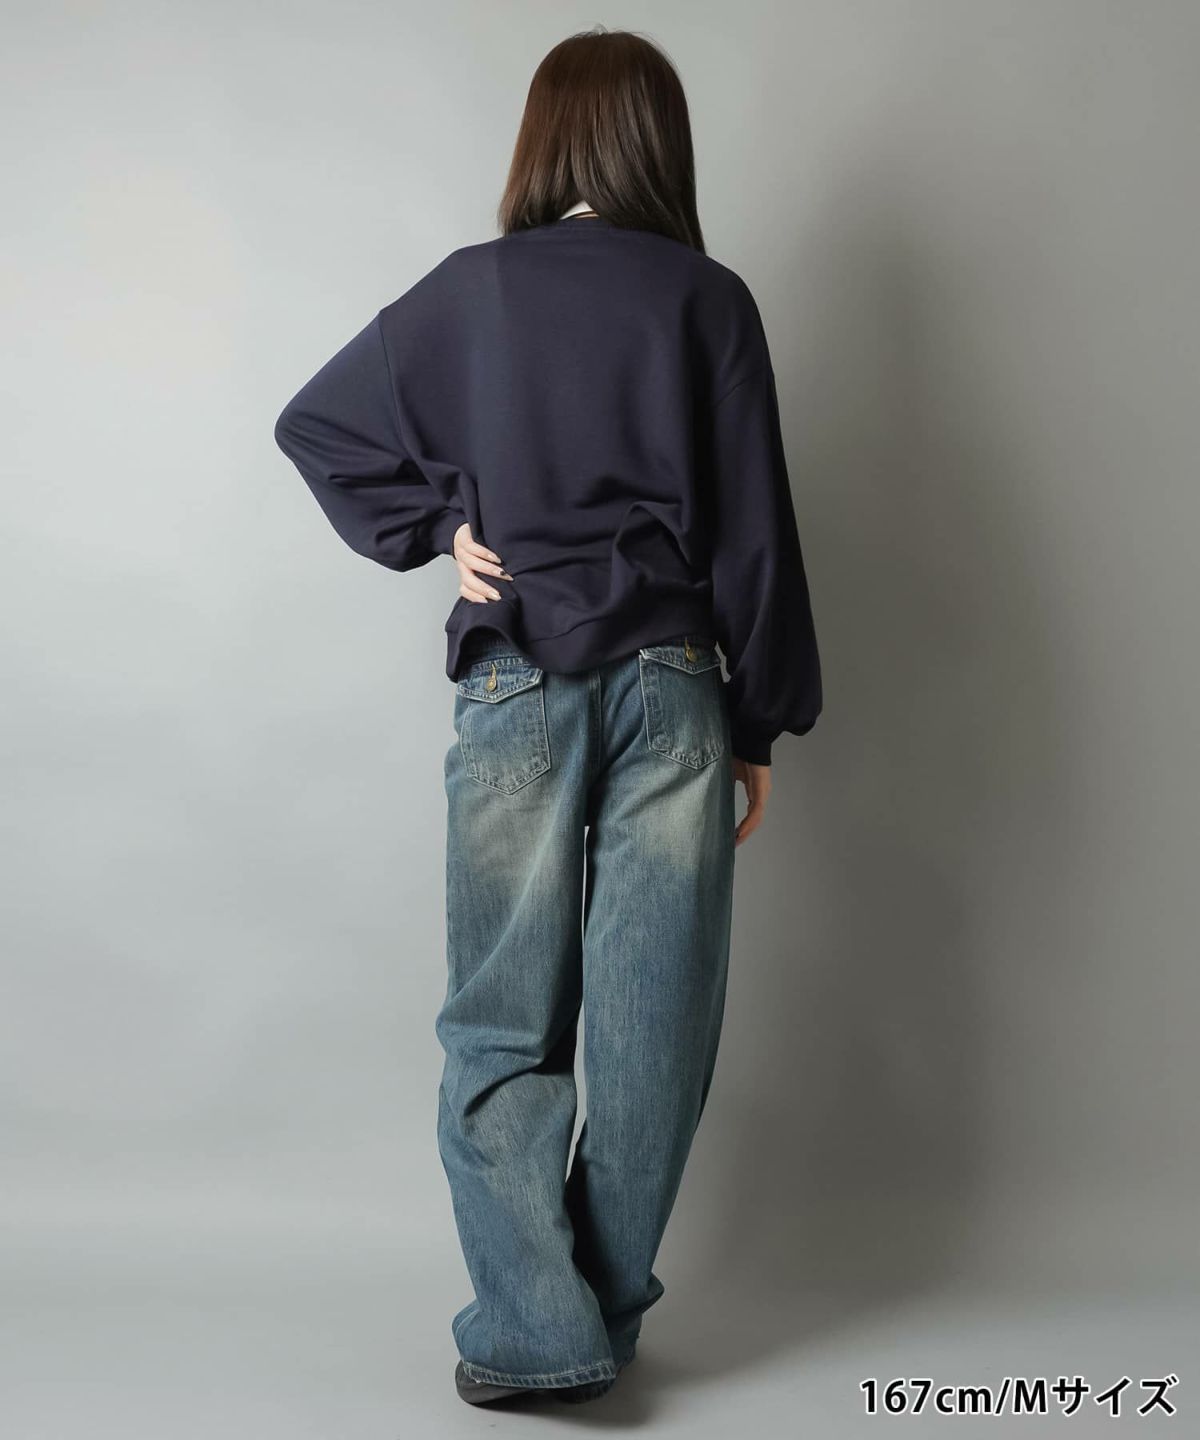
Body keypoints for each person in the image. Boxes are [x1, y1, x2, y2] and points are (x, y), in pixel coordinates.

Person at [273, 24, 821, 1408]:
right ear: (659, 146)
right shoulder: (708, 300)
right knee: (657, 1024)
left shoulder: (473, 292)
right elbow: (755, 532)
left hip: (516, 675)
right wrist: (759, 721)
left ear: (545, 141)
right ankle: (596, 1318)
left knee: (502, 1021)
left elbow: (317, 425)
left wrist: (438, 530)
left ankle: (537, 1330)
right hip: (677, 687)